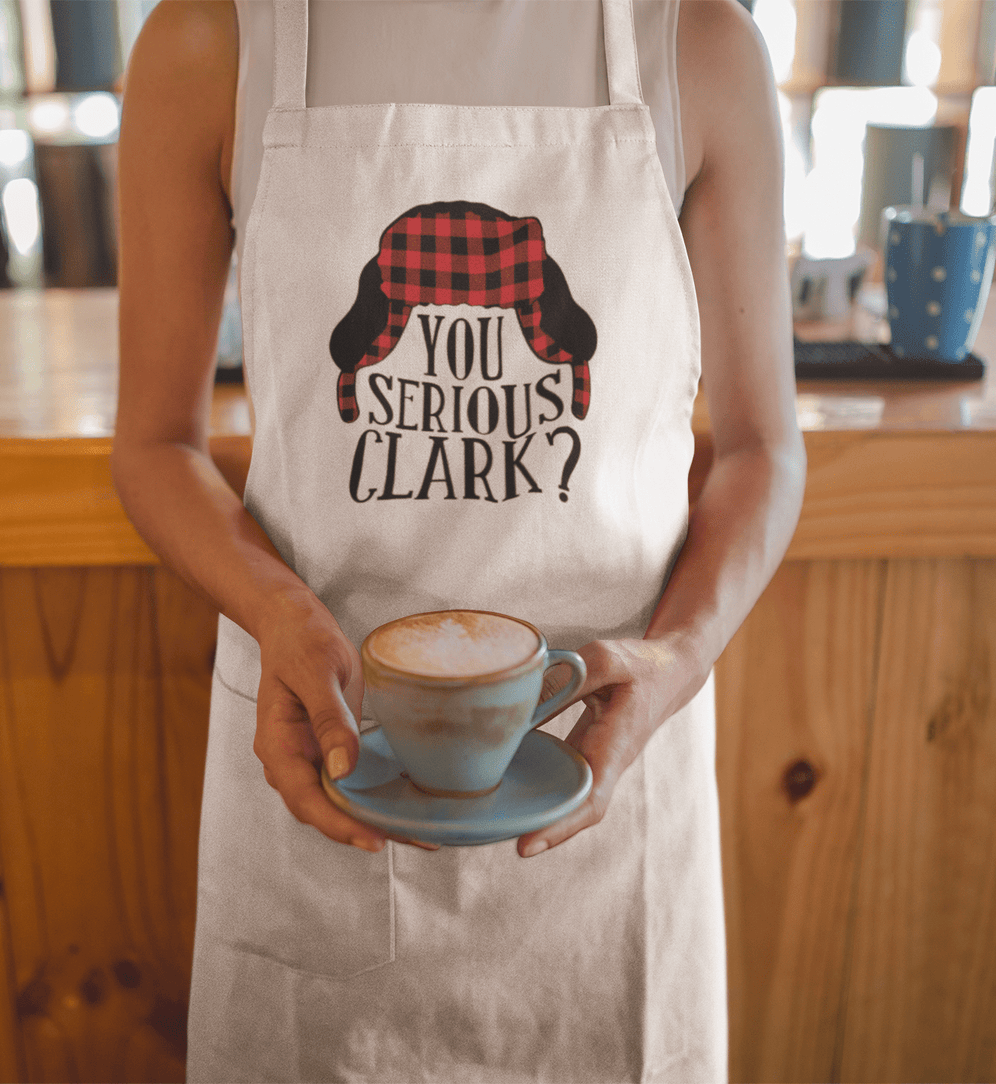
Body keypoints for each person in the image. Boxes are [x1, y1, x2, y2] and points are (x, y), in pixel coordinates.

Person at [113, 1, 805, 1079]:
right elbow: (155, 444)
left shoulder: (694, 43)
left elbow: (762, 451)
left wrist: (671, 659)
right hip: (318, 761)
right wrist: (275, 609)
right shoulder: (209, 42)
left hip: (607, 789)